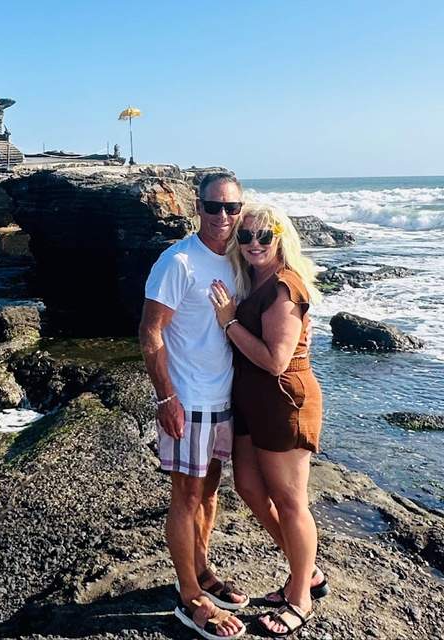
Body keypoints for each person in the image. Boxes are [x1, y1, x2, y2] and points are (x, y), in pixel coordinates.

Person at [209, 204, 326, 637]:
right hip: (250, 401)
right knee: (249, 487)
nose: (254, 243)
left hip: (283, 401)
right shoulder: (252, 279)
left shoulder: (284, 286)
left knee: (291, 501)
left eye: (264, 235)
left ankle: (300, 597)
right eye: (245, 236)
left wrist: (229, 323)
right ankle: (306, 571)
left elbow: (276, 361)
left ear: (281, 236)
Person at [140, 172, 248, 639]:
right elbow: (150, 333)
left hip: (223, 398)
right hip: (188, 399)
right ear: (195, 207)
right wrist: (166, 397)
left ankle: (202, 570)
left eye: (231, 208)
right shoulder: (178, 261)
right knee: (185, 498)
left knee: (209, 492)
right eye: (213, 207)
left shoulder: (239, 260)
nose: (222, 217)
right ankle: (189, 597)